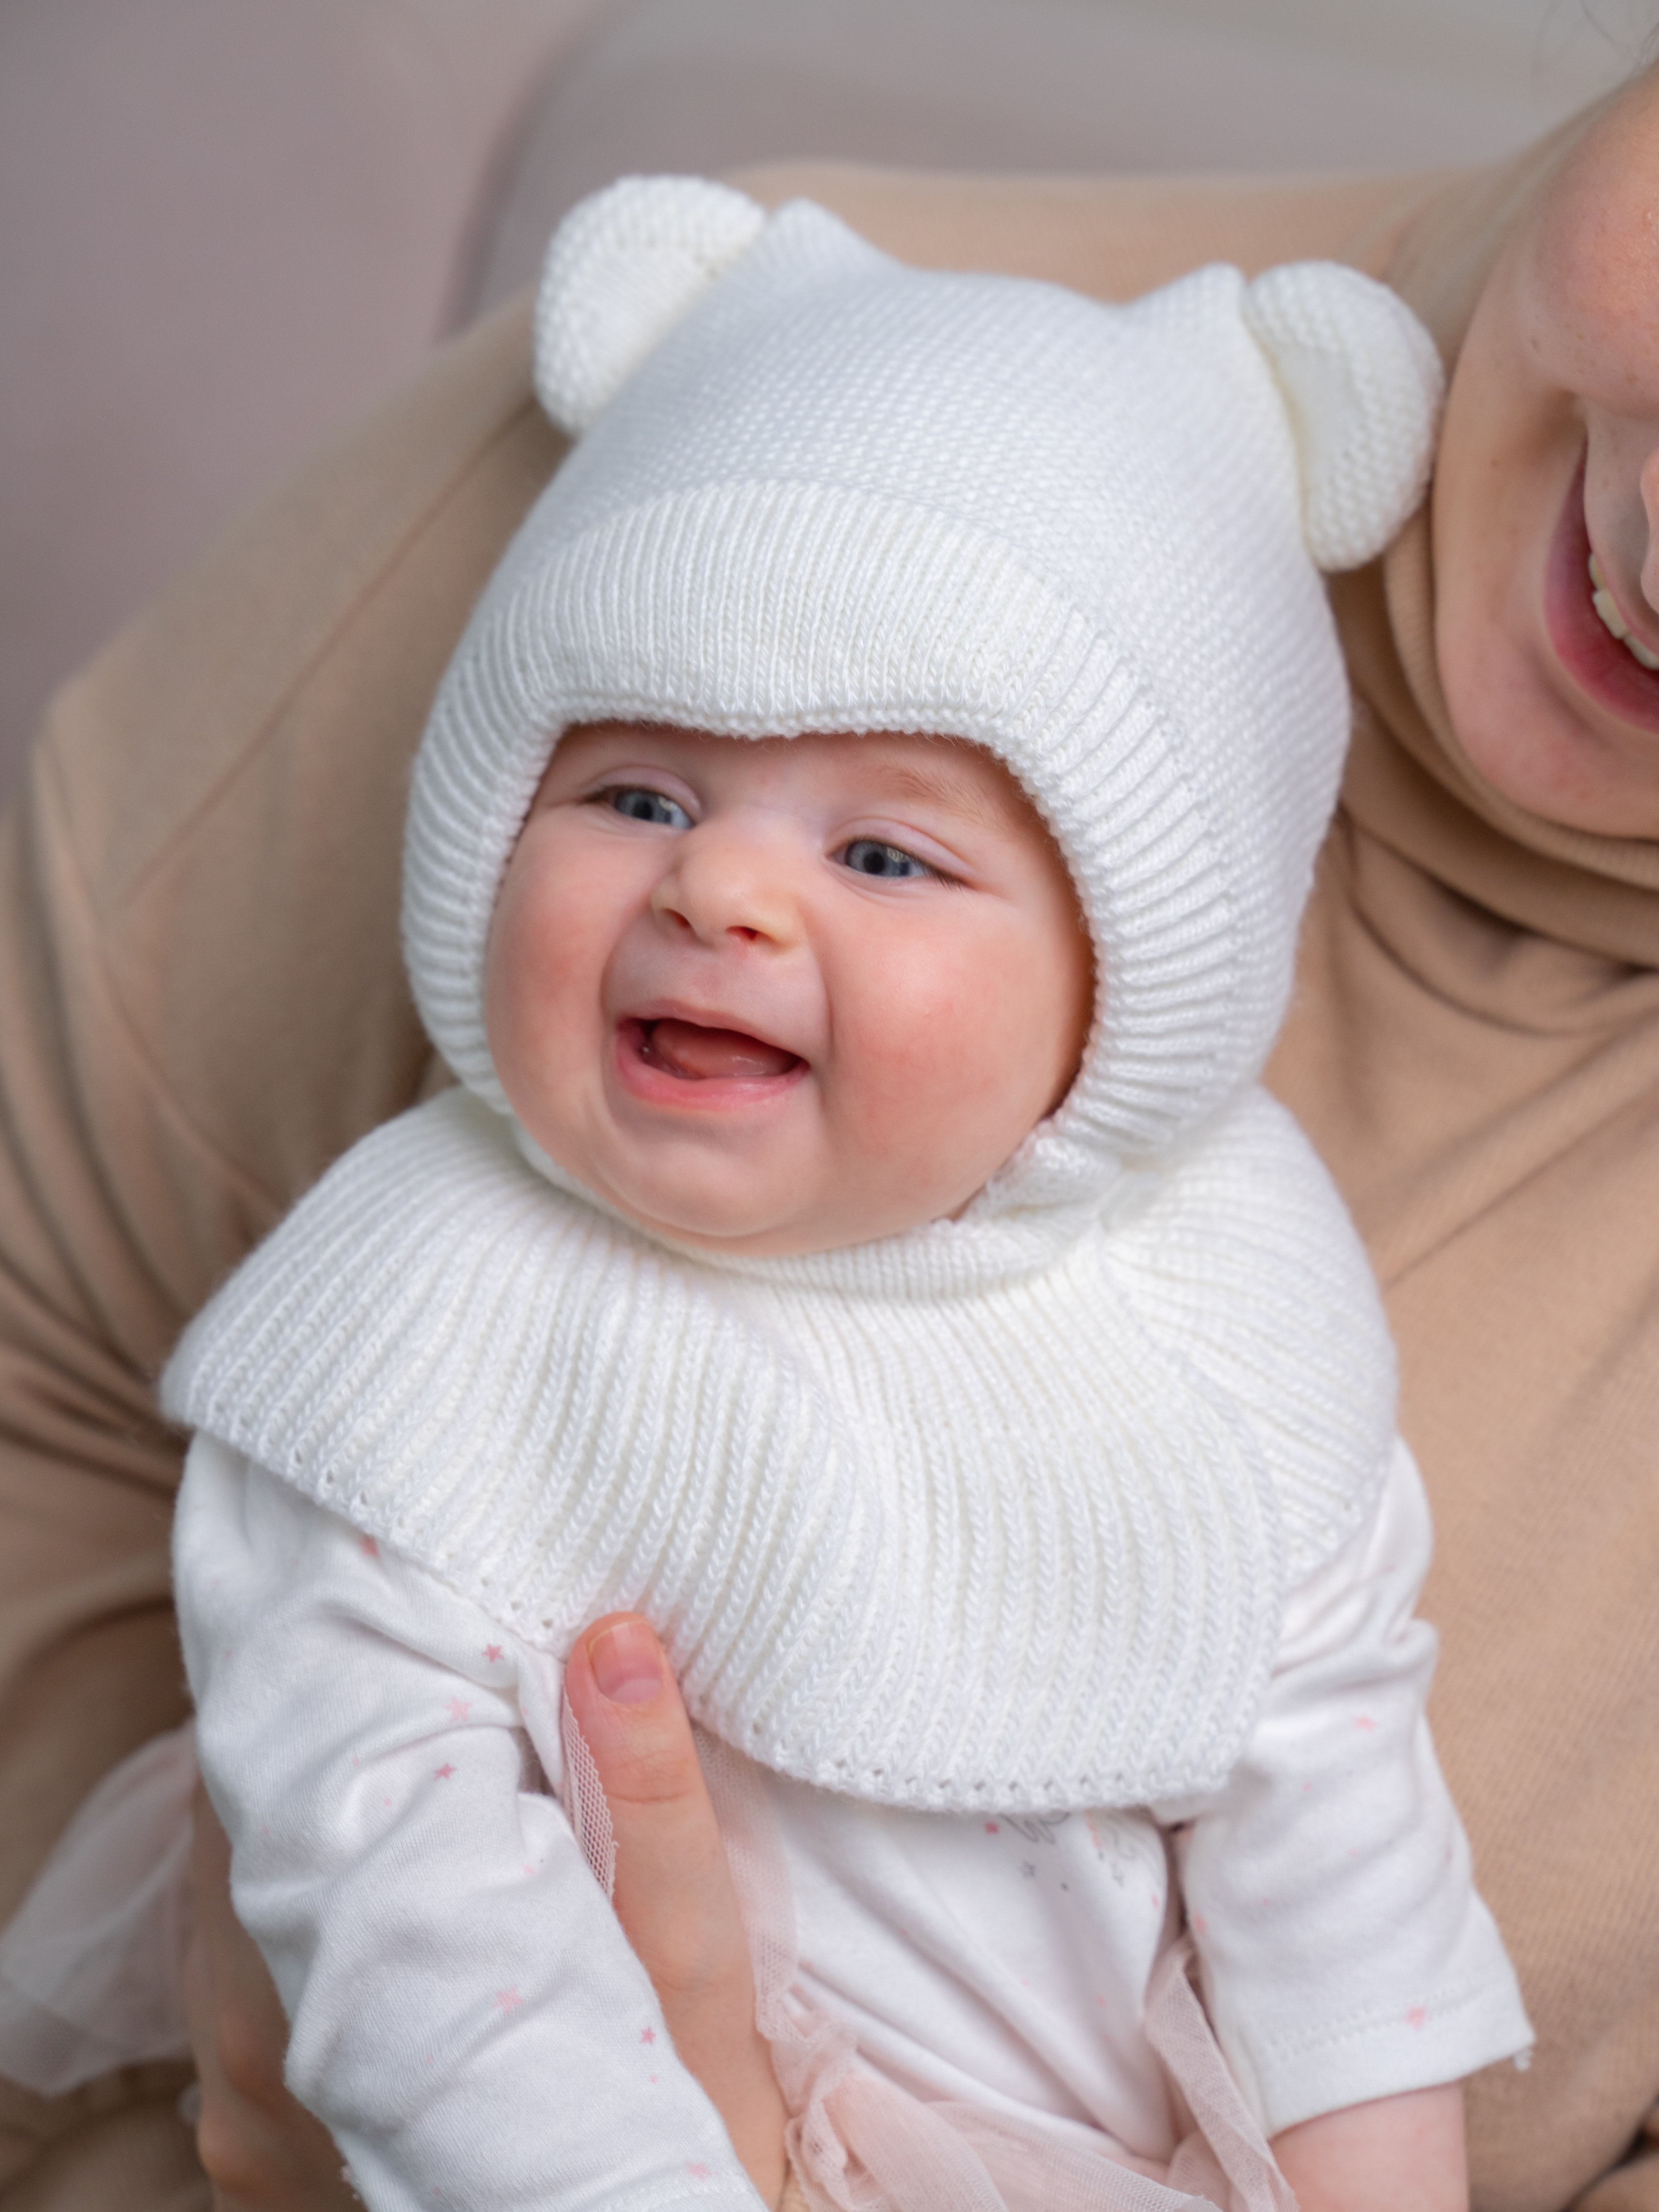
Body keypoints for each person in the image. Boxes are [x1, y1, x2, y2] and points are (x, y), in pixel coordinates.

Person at [1, 65, 1659, 2212]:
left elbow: (1342, 1842)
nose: (727, 897)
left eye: (884, 854)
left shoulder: (1229, 1281)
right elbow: (415, 1929)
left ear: (1117, 1006)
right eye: (634, 798)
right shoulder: (407, 1327)